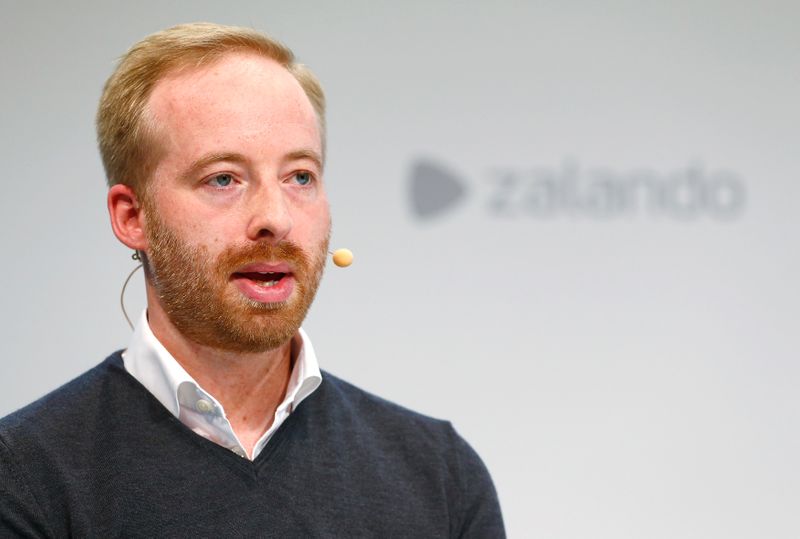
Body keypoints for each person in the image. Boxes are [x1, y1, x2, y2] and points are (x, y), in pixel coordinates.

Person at [0, 22, 504, 537]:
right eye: (223, 178)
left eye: (299, 176)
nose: (276, 218)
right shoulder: (23, 478)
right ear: (133, 217)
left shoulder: (440, 476)